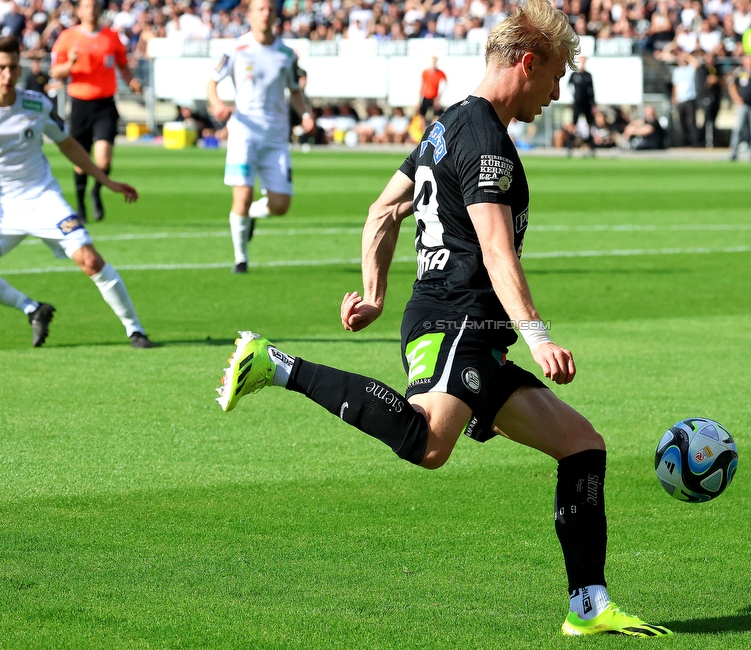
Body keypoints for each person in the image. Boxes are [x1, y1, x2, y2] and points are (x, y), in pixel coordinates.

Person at [215, 0, 672, 639]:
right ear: (527, 62)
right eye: (557, 77)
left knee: (582, 445)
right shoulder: (485, 138)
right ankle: (277, 364)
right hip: (457, 317)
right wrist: (538, 336)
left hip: (467, 326)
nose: (557, 93)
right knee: (430, 443)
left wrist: (374, 293)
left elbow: (382, 210)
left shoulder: (447, 123)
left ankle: (588, 605)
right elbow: (494, 246)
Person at [0, 36, 153, 348]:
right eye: (1, 67)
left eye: (12, 67)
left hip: (43, 199)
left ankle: (135, 330)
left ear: (20, 69)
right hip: (4, 207)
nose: (6, 75)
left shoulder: (35, 103)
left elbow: (67, 143)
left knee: (91, 261)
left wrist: (106, 181)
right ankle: (32, 309)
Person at [206, 0, 315, 274]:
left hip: (276, 138)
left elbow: (295, 91)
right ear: (251, 14)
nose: (266, 14)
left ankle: (253, 215)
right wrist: (217, 103)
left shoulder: (286, 53)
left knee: (280, 205)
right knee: (241, 196)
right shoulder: (235, 49)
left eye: (270, 10)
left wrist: (305, 115)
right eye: (260, 9)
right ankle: (240, 259)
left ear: (276, 16)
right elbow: (211, 82)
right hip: (243, 134)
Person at [50, 0, 142, 223]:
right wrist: (70, 63)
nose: (91, 10)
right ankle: (80, 204)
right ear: (79, 11)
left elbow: (122, 64)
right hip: (80, 103)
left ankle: (97, 191)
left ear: (99, 10)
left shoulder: (111, 36)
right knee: (80, 159)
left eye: (94, 6)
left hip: (105, 104)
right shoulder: (68, 37)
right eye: (86, 6)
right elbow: (56, 72)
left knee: (104, 159)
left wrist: (132, 81)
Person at [566, 54, 595, 153]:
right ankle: (570, 145)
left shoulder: (588, 75)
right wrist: (574, 96)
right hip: (577, 104)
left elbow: (592, 91)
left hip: (587, 104)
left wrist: (593, 104)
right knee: (574, 124)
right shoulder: (575, 75)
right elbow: (569, 86)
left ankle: (591, 145)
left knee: (589, 124)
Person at [671, 52, 700, 146]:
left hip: (689, 98)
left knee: (691, 121)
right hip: (681, 99)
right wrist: (674, 97)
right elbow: (675, 85)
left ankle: (695, 141)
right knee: (682, 121)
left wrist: (687, 56)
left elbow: (696, 63)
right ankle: (685, 141)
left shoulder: (690, 69)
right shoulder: (676, 71)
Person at [418, 55, 447, 122]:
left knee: (437, 115)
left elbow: (444, 85)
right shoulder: (425, 72)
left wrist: (439, 98)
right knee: (422, 115)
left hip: (435, 97)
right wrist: (418, 100)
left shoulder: (440, 73)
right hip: (426, 96)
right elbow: (421, 85)